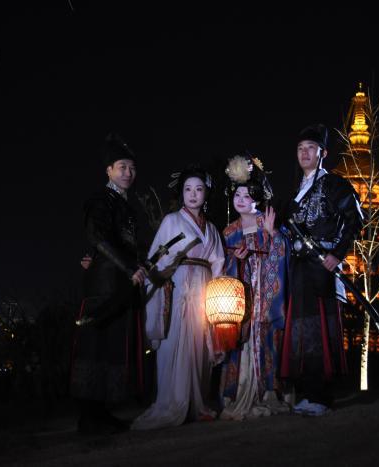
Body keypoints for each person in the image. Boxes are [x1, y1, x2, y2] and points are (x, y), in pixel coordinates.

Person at [131, 166, 225, 430]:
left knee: (199, 343)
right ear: (181, 193)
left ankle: (197, 403)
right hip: (178, 287)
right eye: (188, 189)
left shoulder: (212, 228)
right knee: (175, 342)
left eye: (199, 189)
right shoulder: (171, 221)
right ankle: (172, 402)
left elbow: (218, 262)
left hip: (204, 286)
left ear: (206, 193)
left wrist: (216, 290)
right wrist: (161, 280)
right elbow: (157, 258)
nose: (193, 194)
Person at [281, 124, 364, 414]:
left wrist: (337, 254)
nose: (304, 153)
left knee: (320, 331)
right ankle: (308, 393)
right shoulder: (296, 192)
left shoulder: (334, 184)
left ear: (323, 153)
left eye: (311, 148)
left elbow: (356, 219)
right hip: (299, 269)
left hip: (321, 269)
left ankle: (321, 397)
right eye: (300, 149)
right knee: (302, 331)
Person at [70, 133, 148, 434]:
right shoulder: (101, 199)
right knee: (95, 348)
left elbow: (121, 242)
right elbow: (97, 236)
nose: (128, 173)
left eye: (132, 168)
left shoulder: (124, 204)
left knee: (112, 349)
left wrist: (136, 264)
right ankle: (88, 416)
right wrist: (129, 267)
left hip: (120, 286)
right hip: (104, 287)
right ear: (109, 170)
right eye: (122, 167)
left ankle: (101, 413)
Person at [219, 155, 290, 420]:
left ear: (257, 199)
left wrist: (272, 234)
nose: (241, 200)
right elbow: (223, 269)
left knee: (266, 339)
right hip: (241, 299)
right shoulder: (229, 231)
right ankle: (236, 393)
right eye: (237, 195)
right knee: (239, 341)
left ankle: (268, 391)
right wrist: (236, 262)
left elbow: (282, 253)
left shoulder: (266, 222)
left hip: (264, 297)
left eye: (247, 195)